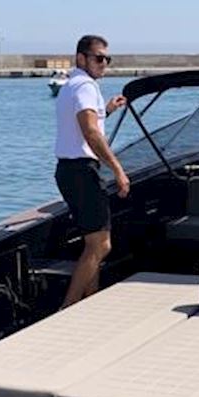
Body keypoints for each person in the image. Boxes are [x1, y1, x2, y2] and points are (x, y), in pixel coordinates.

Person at [54, 34, 129, 307]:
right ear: (81, 58)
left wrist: (106, 110)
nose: (104, 64)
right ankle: (68, 307)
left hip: (67, 170)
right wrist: (117, 169)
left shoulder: (70, 86)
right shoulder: (85, 86)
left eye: (107, 59)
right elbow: (90, 133)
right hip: (83, 171)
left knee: (92, 243)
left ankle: (90, 302)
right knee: (101, 245)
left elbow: (82, 124)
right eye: (98, 58)